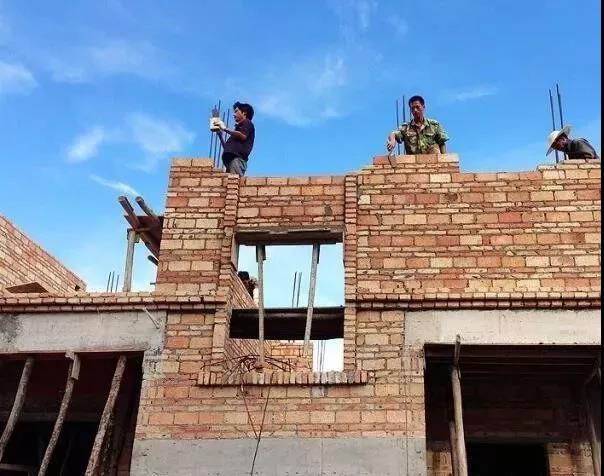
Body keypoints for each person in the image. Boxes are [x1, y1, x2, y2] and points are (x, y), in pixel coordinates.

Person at [217, 102, 255, 176]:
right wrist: (220, 136)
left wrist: (225, 128)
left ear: (244, 113)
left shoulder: (247, 122)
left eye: (236, 111)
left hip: (237, 160)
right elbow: (227, 149)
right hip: (231, 161)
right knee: (231, 181)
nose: (234, 114)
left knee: (234, 180)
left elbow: (243, 136)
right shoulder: (237, 132)